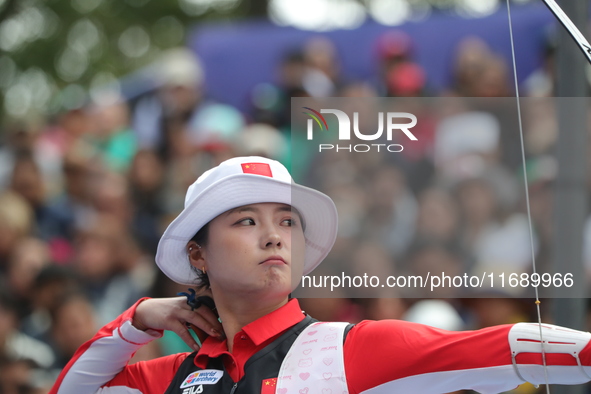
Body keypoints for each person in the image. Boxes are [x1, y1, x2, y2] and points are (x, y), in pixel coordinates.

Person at [51, 156, 591, 394]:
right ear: (198, 256)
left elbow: (506, 346)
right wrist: (138, 320)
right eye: (246, 221)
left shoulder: (349, 349)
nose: (274, 235)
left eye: (287, 221)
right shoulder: (170, 377)